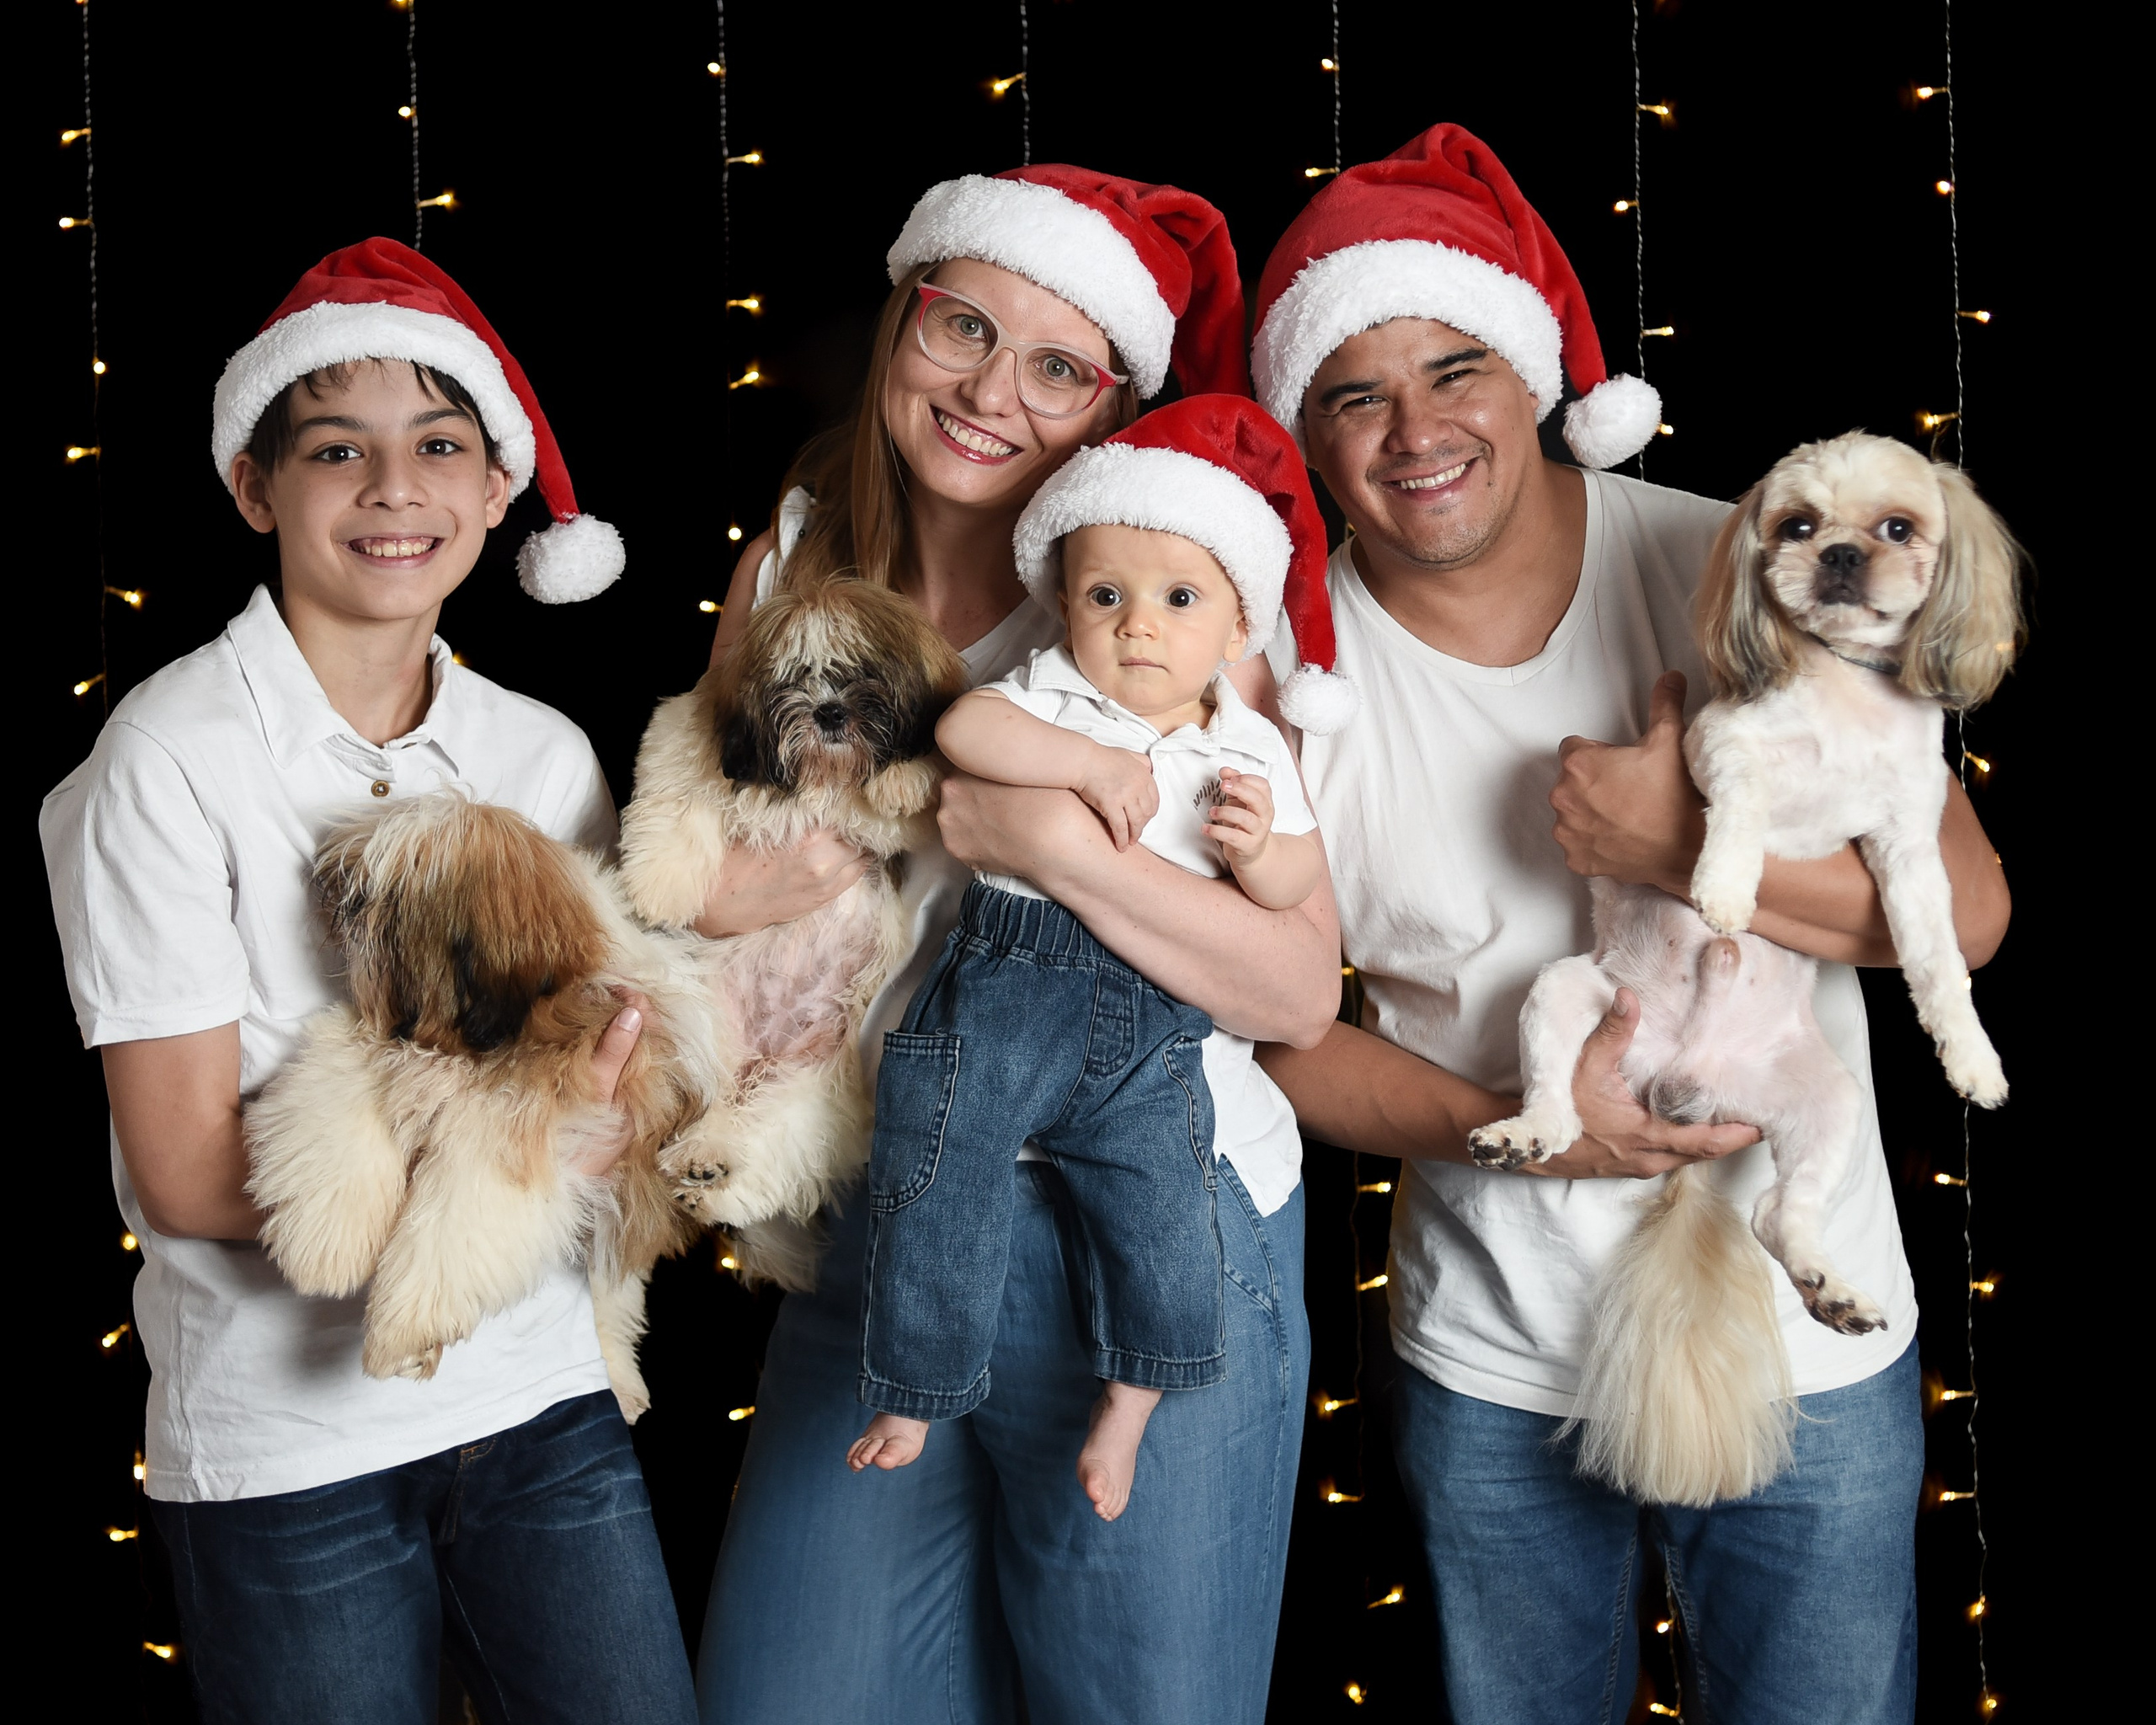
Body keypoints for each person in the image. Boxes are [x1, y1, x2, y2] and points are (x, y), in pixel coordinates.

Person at [1247, 126, 2012, 1725]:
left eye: (1457, 368)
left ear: (1529, 375)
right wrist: (1520, 1130)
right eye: (1354, 394)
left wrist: (1673, 845)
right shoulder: (1287, 678)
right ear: (1305, 435)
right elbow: (1279, 1036)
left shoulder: (1741, 553)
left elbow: (1973, 910)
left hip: (1810, 1347)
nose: (1418, 433)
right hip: (1496, 1363)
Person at [694, 169, 1341, 1725]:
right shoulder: (796, 559)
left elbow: (1296, 988)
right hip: (897, 1203)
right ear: (903, 317)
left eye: (1058, 366)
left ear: (1111, 401)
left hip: (1149, 1224)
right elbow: (697, 858)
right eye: (963, 328)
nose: (991, 392)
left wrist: (1051, 842)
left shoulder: (1177, 598)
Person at [40, 239, 696, 1724]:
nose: (395, 491)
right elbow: (193, 1172)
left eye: (439, 448)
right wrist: (543, 1146)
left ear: (493, 494)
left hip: (539, 1401)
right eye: (338, 450)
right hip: (286, 1450)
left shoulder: (541, 758)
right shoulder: (166, 759)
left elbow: (615, 1077)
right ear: (256, 488)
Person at [849, 396, 1331, 1524]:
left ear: (1237, 630)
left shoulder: (1243, 740)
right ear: (1066, 605)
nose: (1138, 628)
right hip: (1014, 979)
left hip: (1157, 1021)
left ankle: (1133, 1396)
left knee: (1160, 1206)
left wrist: (1261, 852)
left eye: (1178, 601)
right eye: (1105, 596)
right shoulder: (1054, 686)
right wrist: (1083, 763)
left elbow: (1297, 886)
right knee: (939, 1164)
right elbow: (965, 735)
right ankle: (917, 1389)